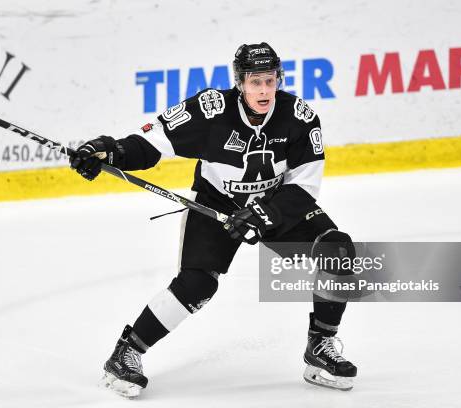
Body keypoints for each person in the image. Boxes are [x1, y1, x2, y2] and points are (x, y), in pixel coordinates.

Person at [70, 42, 358, 398]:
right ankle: (127, 352)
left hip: (274, 206)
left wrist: (264, 213)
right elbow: (152, 142)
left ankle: (320, 347)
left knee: (337, 249)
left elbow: (305, 185)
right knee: (197, 285)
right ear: (240, 82)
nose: (264, 90)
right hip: (216, 203)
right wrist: (110, 150)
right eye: (255, 82)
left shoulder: (298, 116)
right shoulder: (210, 111)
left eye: (270, 81)